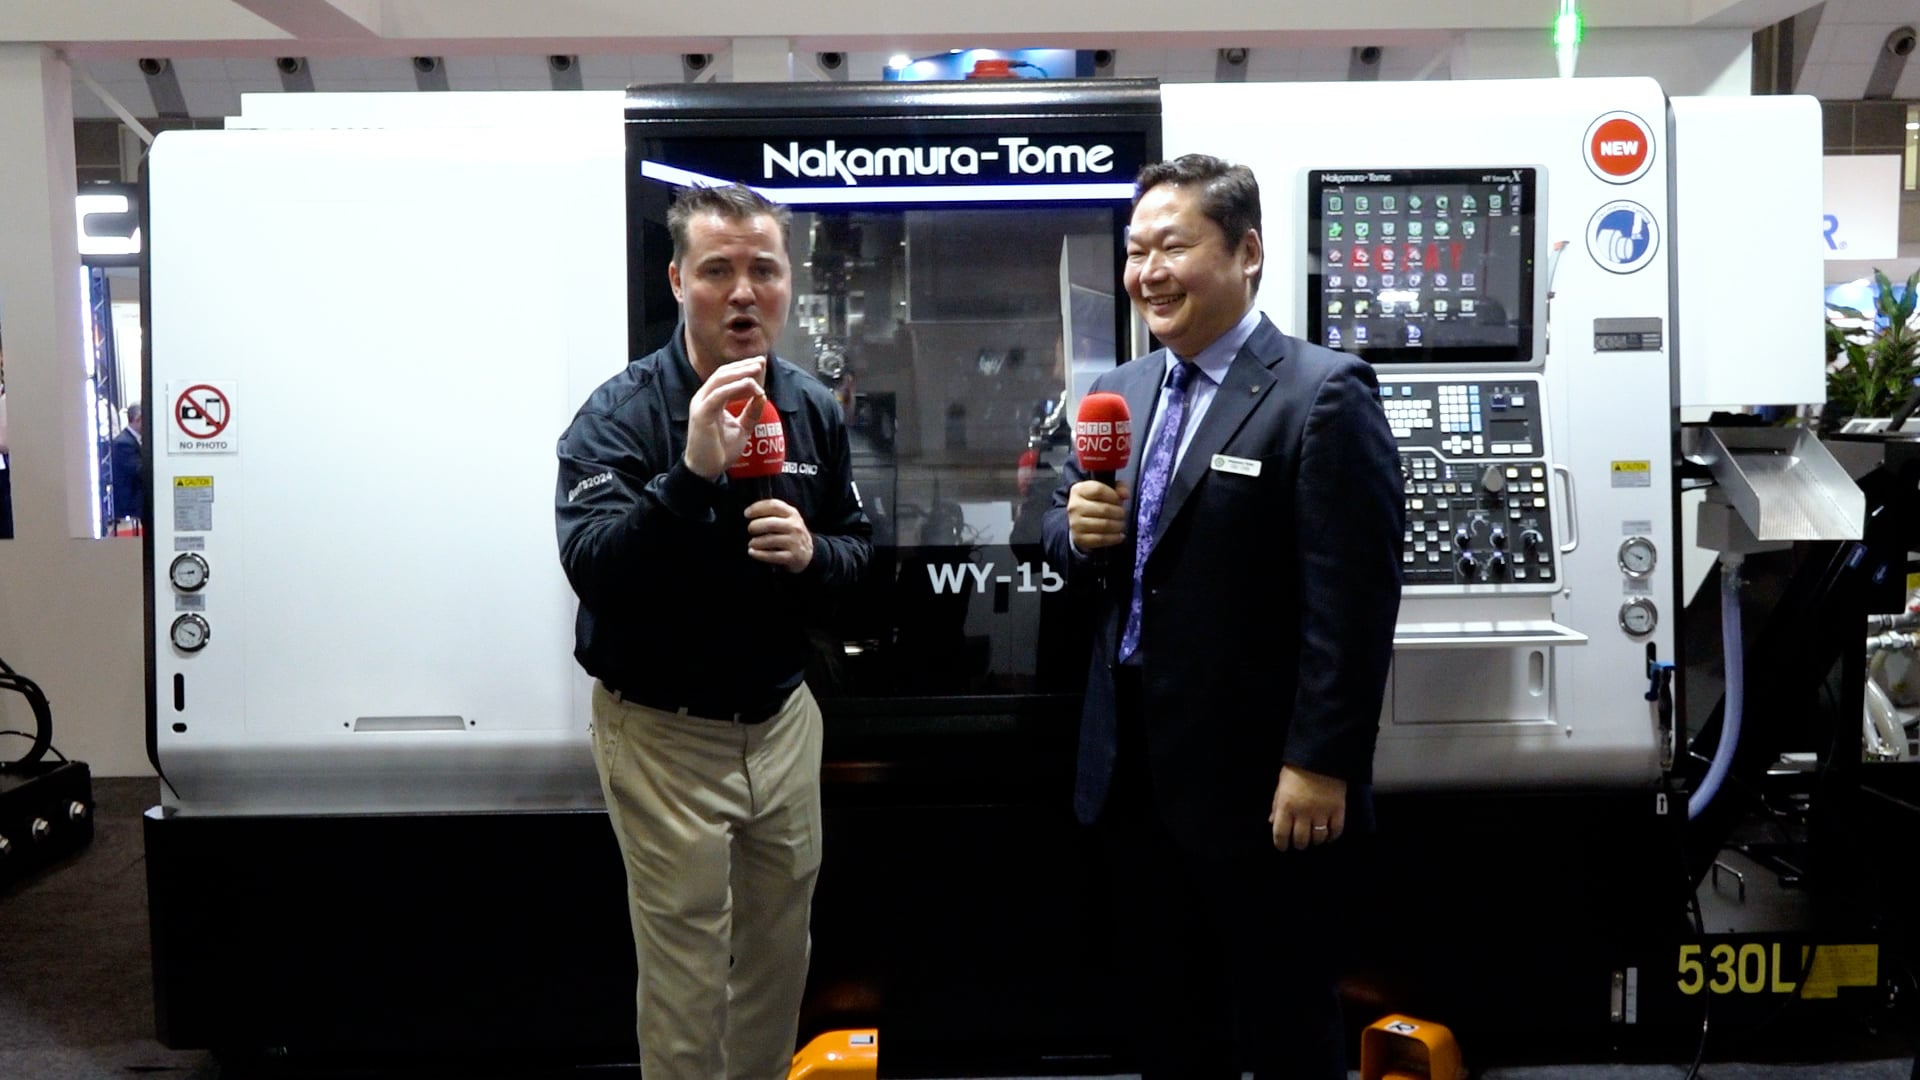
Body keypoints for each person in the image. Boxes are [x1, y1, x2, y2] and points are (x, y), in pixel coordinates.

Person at [1042, 154, 1402, 1079]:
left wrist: (1320, 762)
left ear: (1247, 253)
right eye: (1136, 252)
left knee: (1285, 1026)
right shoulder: (1122, 390)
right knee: (1166, 1025)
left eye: (1172, 247)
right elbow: (1057, 531)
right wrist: (1074, 532)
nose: (1147, 272)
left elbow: (1354, 603)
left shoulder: (1322, 393)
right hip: (1133, 774)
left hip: (1265, 786)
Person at [554, 183, 872, 1080]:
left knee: (778, 963)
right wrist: (691, 476)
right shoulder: (619, 415)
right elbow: (595, 568)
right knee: (688, 980)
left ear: (788, 282)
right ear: (677, 281)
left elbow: (857, 553)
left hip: (781, 723)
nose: (742, 292)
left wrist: (814, 554)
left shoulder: (809, 407)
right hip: (665, 732)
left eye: (763, 270)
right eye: (717, 270)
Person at [109, 402, 144, 525]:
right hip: (131, 500)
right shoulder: (124, 443)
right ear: (137, 419)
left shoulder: (131, 439)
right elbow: (137, 469)